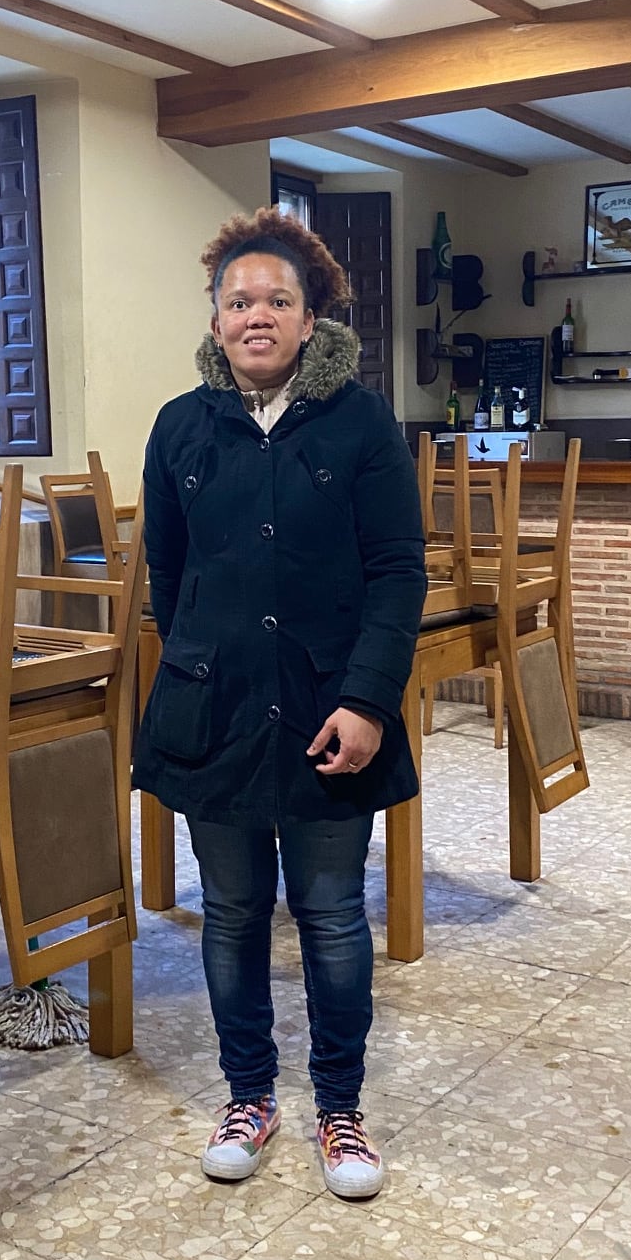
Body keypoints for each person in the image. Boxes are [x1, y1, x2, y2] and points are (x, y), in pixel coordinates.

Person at [134, 207, 426, 1199]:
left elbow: (396, 572)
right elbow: (167, 583)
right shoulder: (181, 426)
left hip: (328, 709)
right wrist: (204, 669)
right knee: (231, 911)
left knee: (334, 914)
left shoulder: (361, 422)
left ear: (310, 320)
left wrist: (368, 700)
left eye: (278, 300)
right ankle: (248, 1096)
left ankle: (340, 1109)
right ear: (217, 320)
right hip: (215, 713)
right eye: (239, 300)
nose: (257, 314)